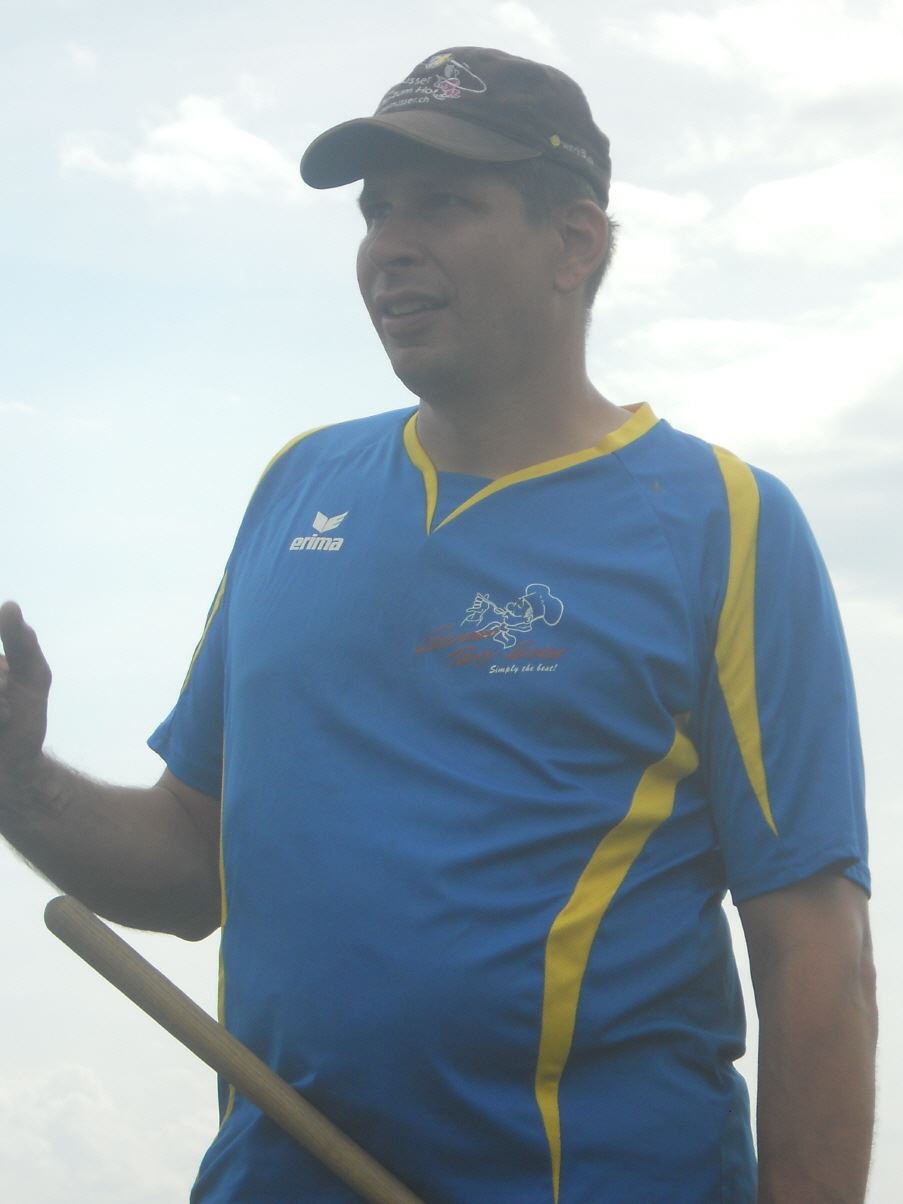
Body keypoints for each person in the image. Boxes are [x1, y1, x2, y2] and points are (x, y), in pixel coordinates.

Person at [0, 46, 877, 1204]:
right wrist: (17, 777)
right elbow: (187, 865)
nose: (390, 245)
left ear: (575, 243)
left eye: (444, 204)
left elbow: (816, 959)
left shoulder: (723, 523)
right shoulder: (298, 487)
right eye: (376, 212)